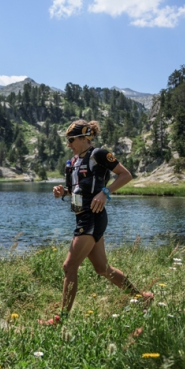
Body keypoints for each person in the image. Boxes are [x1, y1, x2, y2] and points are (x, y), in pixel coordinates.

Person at [41, 120, 153, 325]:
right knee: (102, 268)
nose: (69, 144)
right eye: (67, 141)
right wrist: (61, 192)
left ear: (85, 138)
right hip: (81, 216)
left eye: (72, 140)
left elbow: (125, 175)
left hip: (93, 216)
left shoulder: (99, 155)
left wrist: (105, 192)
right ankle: (142, 298)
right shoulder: (71, 163)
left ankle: (60, 320)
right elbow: (73, 190)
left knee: (69, 266)